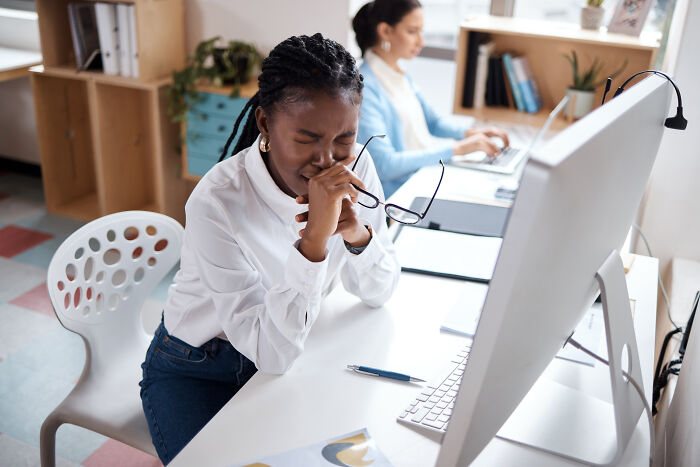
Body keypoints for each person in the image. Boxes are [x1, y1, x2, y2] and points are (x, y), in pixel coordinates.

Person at [139, 33, 401, 464]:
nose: (328, 160)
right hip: (198, 366)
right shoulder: (216, 201)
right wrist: (313, 243)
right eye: (307, 138)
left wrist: (358, 237)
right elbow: (271, 353)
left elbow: (380, 292)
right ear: (264, 123)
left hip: (289, 353)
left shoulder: (358, 166)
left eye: (344, 139)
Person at [352, 0, 510, 197]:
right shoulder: (364, 89)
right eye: (412, 31)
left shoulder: (397, 73)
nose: (421, 42)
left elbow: (433, 122)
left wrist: (471, 133)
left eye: (421, 31)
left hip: (426, 177)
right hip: (401, 195)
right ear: (385, 31)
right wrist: (457, 149)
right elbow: (385, 165)